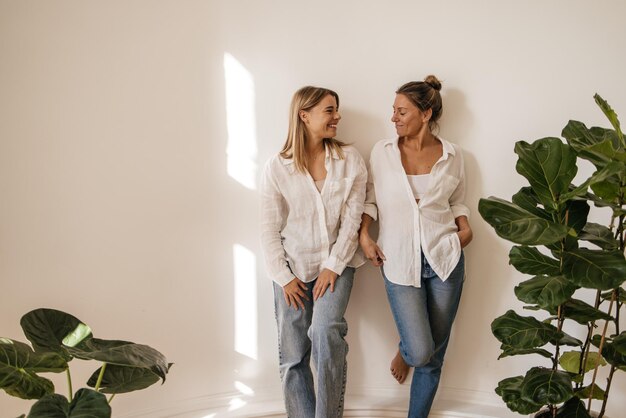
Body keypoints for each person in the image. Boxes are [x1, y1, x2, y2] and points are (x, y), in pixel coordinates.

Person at [359, 75, 473, 418]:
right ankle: (407, 350)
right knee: (422, 349)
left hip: (446, 260)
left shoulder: (453, 155)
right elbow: (370, 200)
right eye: (393, 110)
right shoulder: (382, 153)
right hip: (398, 261)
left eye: (401, 111)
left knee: (434, 356)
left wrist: (465, 228)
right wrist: (365, 236)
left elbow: (457, 202)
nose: (393, 118)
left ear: (425, 114)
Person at [260, 86, 367, 418]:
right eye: (329, 110)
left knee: (325, 331)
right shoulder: (277, 167)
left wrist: (334, 266)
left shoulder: (350, 160)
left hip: (338, 264)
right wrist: (284, 277)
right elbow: (268, 227)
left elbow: (353, 218)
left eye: (337, 110)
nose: (337, 117)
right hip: (291, 268)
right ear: (304, 116)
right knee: (292, 354)